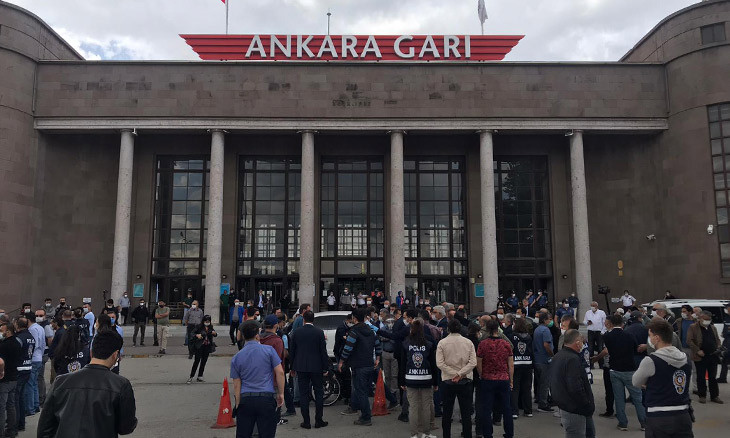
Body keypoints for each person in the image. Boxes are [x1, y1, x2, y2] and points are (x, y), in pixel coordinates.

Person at [38, 329, 136, 437]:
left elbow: (45, 428)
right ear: (115, 354)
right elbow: (125, 427)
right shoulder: (121, 385)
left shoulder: (60, 382)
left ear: (91, 352)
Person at [632, 318, 693, 438]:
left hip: (659, 416)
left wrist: (649, 383)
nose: (649, 339)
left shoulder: (651, 361)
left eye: (650, 335)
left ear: (657, 338)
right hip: (683, 415)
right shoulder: (685, 358)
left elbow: (636, 382)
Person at [231, 321, 285, 438]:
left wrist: (238, 403)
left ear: (244, 336)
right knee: (267, 434)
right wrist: (281, 393)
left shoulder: (237, 357)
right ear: (257, 335)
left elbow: (236, 383)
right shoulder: (269, 350)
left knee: (244, 434)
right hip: (266, 398)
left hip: (246, 398)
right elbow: (280, 372)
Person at [593, 314, 646, 431]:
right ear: (622, 323)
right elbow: (635, 349)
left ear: (611, 323)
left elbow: (607, 350)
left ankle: (623, 423)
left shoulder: (607, 336)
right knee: (637, 397)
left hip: (614, 369)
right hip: (629, 369)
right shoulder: (629, 335)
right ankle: (643, 422)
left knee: (619, 397)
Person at [338, 307, 382, 426]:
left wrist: (341, 361)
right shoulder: (370, 329)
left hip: (358, 365)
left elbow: (348, 348)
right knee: (364, 390)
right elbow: (377, 344)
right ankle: (364, 414)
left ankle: (366, 417)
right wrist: (377, 358)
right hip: (369, 364)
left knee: (360, 391)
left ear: (354, 318)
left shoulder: (354, 331)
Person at [550, 329, 595, 438]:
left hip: (569, 407)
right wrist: (586, 403)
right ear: (577, 342)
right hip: (576, 410)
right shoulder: (572, 359)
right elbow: (575, 387)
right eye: (581, 341)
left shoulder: (558, 356)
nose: (583, 344)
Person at [436, 319, 477, 438]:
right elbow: (473, 362)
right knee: (466, 412)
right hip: (465, 380)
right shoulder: (468, 342)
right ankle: (467, 434)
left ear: (448, 329)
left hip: (448, 380)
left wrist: (454, 373)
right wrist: (460, 373)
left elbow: (440, 363)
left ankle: (446, 435)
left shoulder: (442, 343)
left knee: (447, 412)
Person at [289, 310, 329, 429]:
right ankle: (318, 420)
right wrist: (325, 367)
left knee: (303, 394)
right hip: (316, 367)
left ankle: (306, 421)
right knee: (318, 392)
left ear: (303, 320)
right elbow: (323, 351)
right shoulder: (319, 332)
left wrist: (292, 367)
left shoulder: (296, 332)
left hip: (301, 366)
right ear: (313, 320)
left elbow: (292, 351)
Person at [400, 318, 438, 438]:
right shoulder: (429, 342)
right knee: (426, 407)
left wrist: (401, 381)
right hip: (426, 378)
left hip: (410, 378)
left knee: (413, 407)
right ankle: (426, 433)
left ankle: (414, 434)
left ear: (411, 330)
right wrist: (436, 381)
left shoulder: (406, 343)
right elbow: (433, 364)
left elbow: (402, 363)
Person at [476, 317, 514, 438]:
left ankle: (488, 434)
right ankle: (509, 433)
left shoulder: (483, 344)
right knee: (507, 408)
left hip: (488, 378)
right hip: (503, 378)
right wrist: (511, 379)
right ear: (498, 328)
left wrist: (482, 375)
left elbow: (479, 363)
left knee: (487, 408)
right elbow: (511, 364)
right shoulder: (506, 344)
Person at [687, 310, 723, 404]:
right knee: (701, 376)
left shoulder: (712, 327)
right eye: (705, 319)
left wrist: (718, 347)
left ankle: (714, 396)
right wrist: (697, 350)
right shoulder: (693, 327)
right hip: (700, 356)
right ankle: (702, 395)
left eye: (709, 319)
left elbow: (717, 339)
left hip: (712, 355)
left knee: (713, 377)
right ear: (700, 318)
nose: (707, 321)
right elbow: (689, 341)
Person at [260, 315, 288, 425]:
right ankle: (276, 419)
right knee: (276, 400)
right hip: (274, 376)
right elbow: (279, 361)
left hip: (261, 375)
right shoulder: (277, 341)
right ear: (276, 325)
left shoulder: (259, 338)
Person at [509, 317, 533, 418]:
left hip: (516, 364)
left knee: (515, 388)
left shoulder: (512, 336)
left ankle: (514, 411)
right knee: (527, 388)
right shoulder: (529, 337)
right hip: (528, 363)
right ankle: (528, 411)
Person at [0, 322, 20, 438]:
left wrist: (1, 371)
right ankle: (12, 430)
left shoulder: (4, 345)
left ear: (7, 331)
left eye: (2, 330)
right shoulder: (17, 342)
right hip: (14, 377)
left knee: (1, 408)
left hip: (4, 380)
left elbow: (1, 362)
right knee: (11, 405)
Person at [14, 317, 34, 432]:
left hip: (19, 368)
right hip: (28, 366)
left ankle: (16, 424)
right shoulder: (30, 336)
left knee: (15, 399)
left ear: (17, 325)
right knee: (20, 397)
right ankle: (21, 423)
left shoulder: (19, 338)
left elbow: (15, 353)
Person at [532, 311, 554, 413]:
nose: (550, 321)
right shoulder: (545, 330)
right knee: (545, 383)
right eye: (549, 319)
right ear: (545, 320)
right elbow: (546, 345)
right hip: (545, 359)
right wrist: (552, 355)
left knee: (541, 382)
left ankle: (540, 399)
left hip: (537, 359)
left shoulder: (537, 329)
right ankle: (543, 404)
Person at [27, 310, 46, 416]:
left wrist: (29, 356)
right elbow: (43, 344)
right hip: (38, 357)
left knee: (31, 384)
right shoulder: (40, 328)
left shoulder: (33, 329)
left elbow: (35, 344)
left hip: (34, 358)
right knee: (34, 383)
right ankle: (35, 405)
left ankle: (31, 407)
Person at [187, 315, 217, 384]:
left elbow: (215, 334)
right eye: (206, 321)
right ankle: (191, 376)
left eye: (208, 321)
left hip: (207, 346)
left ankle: (200, 376)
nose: (207, 322)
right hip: (200, 346)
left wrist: (214, 333)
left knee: (204, 361)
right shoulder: (199, 327)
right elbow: (192, 333)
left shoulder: (210, 327)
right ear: (203, 321)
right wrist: (197, 335)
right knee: (196, 361)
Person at [583, 302, 606, 368]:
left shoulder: (601, 313)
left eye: (594, 306)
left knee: (600, 348)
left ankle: (601, 364)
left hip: (599, 332)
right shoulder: (588, 312)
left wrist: (603, 331)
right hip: (591, 331)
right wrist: (587, 323)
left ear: (597, 306)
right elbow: (584, 321)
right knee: (590, 348)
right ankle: (591, 364)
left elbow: (604, 323)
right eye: (591, 305)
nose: (592, 307)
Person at [719, 303, 730, 383]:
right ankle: (723, 378)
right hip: (726, 341)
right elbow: (725, 327)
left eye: (727, 307)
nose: (726, 309)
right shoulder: (727, 317)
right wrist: (723, 333)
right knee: (724, 359)